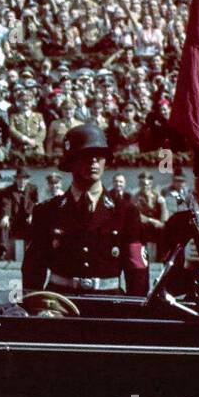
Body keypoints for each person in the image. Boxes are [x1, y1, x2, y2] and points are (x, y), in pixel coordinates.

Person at [23, 122, 149, 296]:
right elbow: (33, 268)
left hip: (109, 304)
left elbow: (137, 268)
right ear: (71, 162)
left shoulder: (126, 212)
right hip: (60, 303)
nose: (94, 161)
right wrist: (33, 307)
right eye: (86, 155)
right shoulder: (46, 212)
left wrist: (136, 311)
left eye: (100, 156)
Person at [1, 167, 38, 262]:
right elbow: (7, 204)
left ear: (27, 180)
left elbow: (34, 203)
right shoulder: (9, 190)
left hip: (26, 218)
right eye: (19, 178)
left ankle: (33, 253)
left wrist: (31, 214)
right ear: (16, 179)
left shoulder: (33, 189)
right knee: (4, 225)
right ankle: (4, 251)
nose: (22, 181)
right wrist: (6, 216)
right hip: (14, 218)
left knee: (35, 224)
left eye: (24, 178)